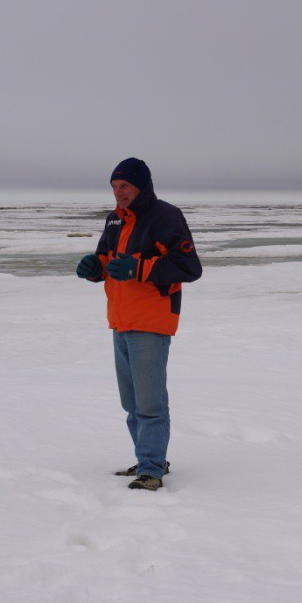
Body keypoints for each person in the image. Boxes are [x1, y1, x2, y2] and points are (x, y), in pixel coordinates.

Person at [76, 157, 202, 491]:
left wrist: (139, 269)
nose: (119, 193)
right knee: (131, 403)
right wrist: (94, 267)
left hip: (151, 321)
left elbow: (189, 266)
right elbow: (107, 261)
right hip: (120, 320)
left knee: (150, 403)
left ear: (141, 186)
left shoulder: (165, 217)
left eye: (125, 187)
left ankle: (151, 470)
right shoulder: (114, 221)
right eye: (115, 187)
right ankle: (151, 460)